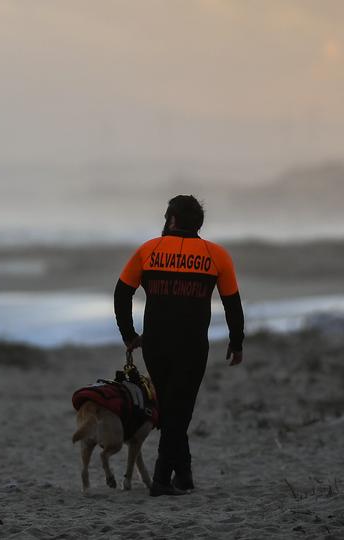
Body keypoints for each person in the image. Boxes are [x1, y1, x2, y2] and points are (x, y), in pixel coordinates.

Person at [114, 195, 245, 497]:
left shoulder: (149, 250)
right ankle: (161, 479)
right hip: (192, 345)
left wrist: (129, 335)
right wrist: (236, 341)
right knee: (179, 409)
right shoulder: (217, 255)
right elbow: (232, 305)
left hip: (155, 344)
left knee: (172, 407)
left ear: (172, 220)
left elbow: (122, 293)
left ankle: (183, 475)